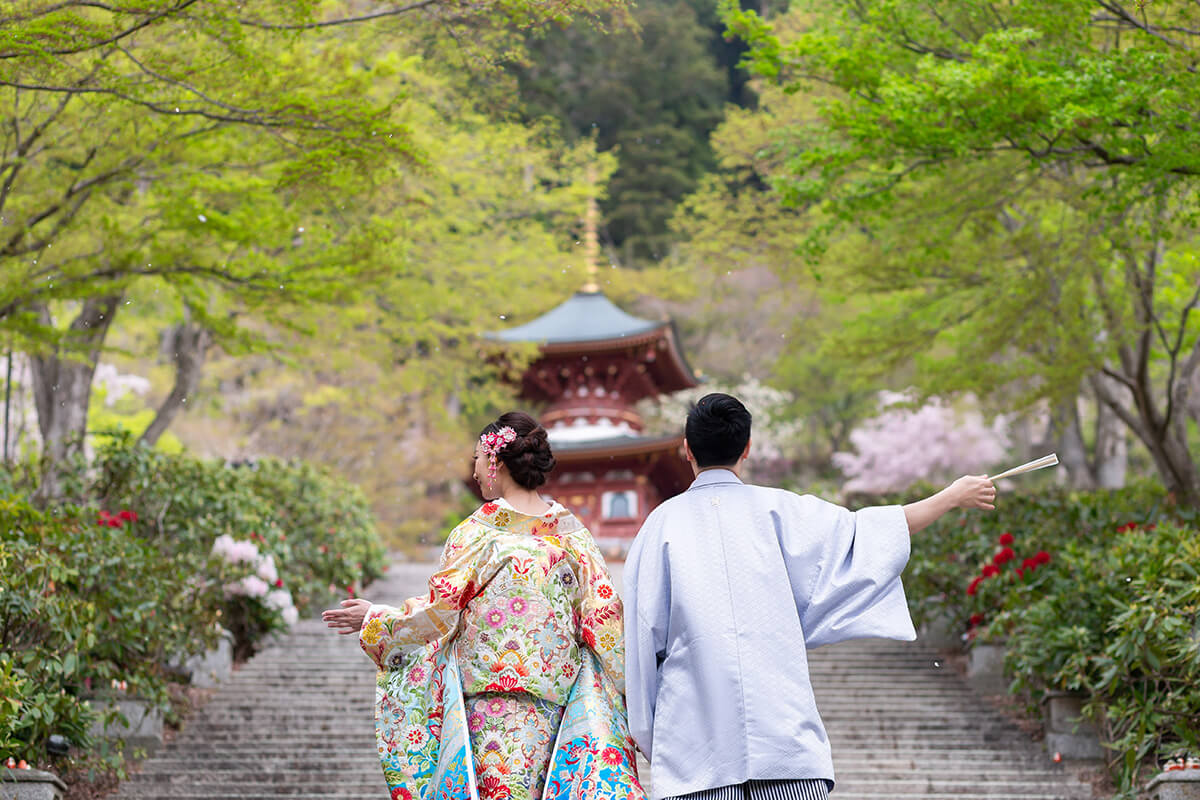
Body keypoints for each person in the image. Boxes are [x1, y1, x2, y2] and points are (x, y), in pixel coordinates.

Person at [622, 393, 996, 800]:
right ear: (747, 447)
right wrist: (952, 496)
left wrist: (651, 737)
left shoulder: (659, 528)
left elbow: (643, 644)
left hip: (694, 753)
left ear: (687, 450)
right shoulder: (782, 510)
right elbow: (870, 535)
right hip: (784, 741)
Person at [323, 412, 644, 800]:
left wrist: (377, 618)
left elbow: (439, 611)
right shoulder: (575, 537)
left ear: (495, 461)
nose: (473, 471)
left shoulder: (478, 534)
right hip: (558, 711)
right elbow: (605, 623)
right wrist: (637, 699)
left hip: (487, 709)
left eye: (476, 458)